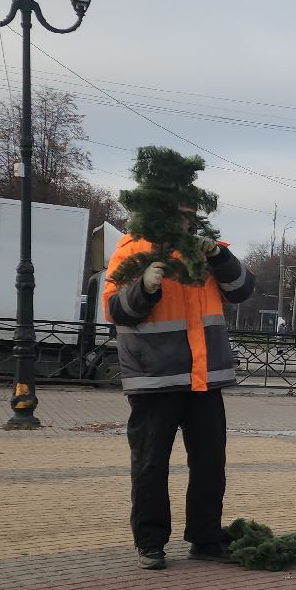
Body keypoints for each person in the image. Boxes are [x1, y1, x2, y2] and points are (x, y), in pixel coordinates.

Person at [103, 223, 256, 571]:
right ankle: (150, 542)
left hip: (205, 377)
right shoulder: (131, 249)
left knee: (210, 463)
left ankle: (206, 538)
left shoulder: (207, 248)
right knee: (150, 463)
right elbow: (114, 310)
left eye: (189, 206)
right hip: (154, 376)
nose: (184, 214)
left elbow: (242, 289)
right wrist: (144, 287)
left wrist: (219, 255)